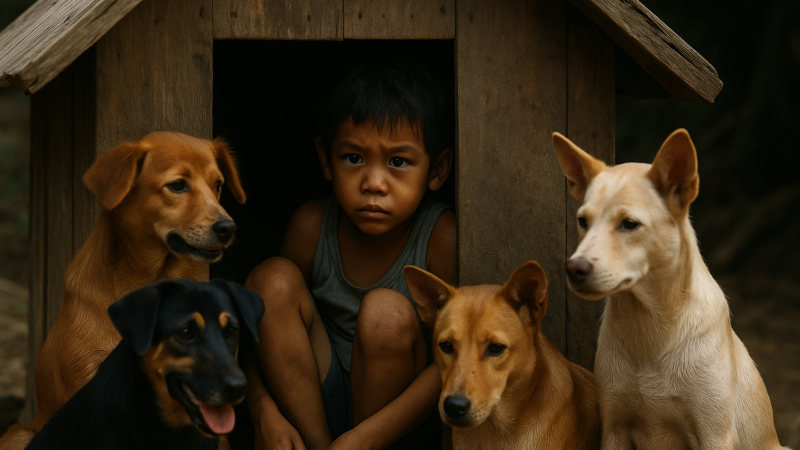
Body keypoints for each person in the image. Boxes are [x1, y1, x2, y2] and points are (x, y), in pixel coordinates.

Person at [243, 59, 456, 450]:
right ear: (326, 159)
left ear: (438, 169)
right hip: (313, 410)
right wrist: (262, 410)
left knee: (385, 314)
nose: (373, 183)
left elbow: (455, 361)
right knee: (269, 280)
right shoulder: (311, 227)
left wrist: (362, 440)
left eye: (398, 162)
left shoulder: (439, 236)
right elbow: (257, 333)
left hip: (394, 423)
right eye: (354, 158)